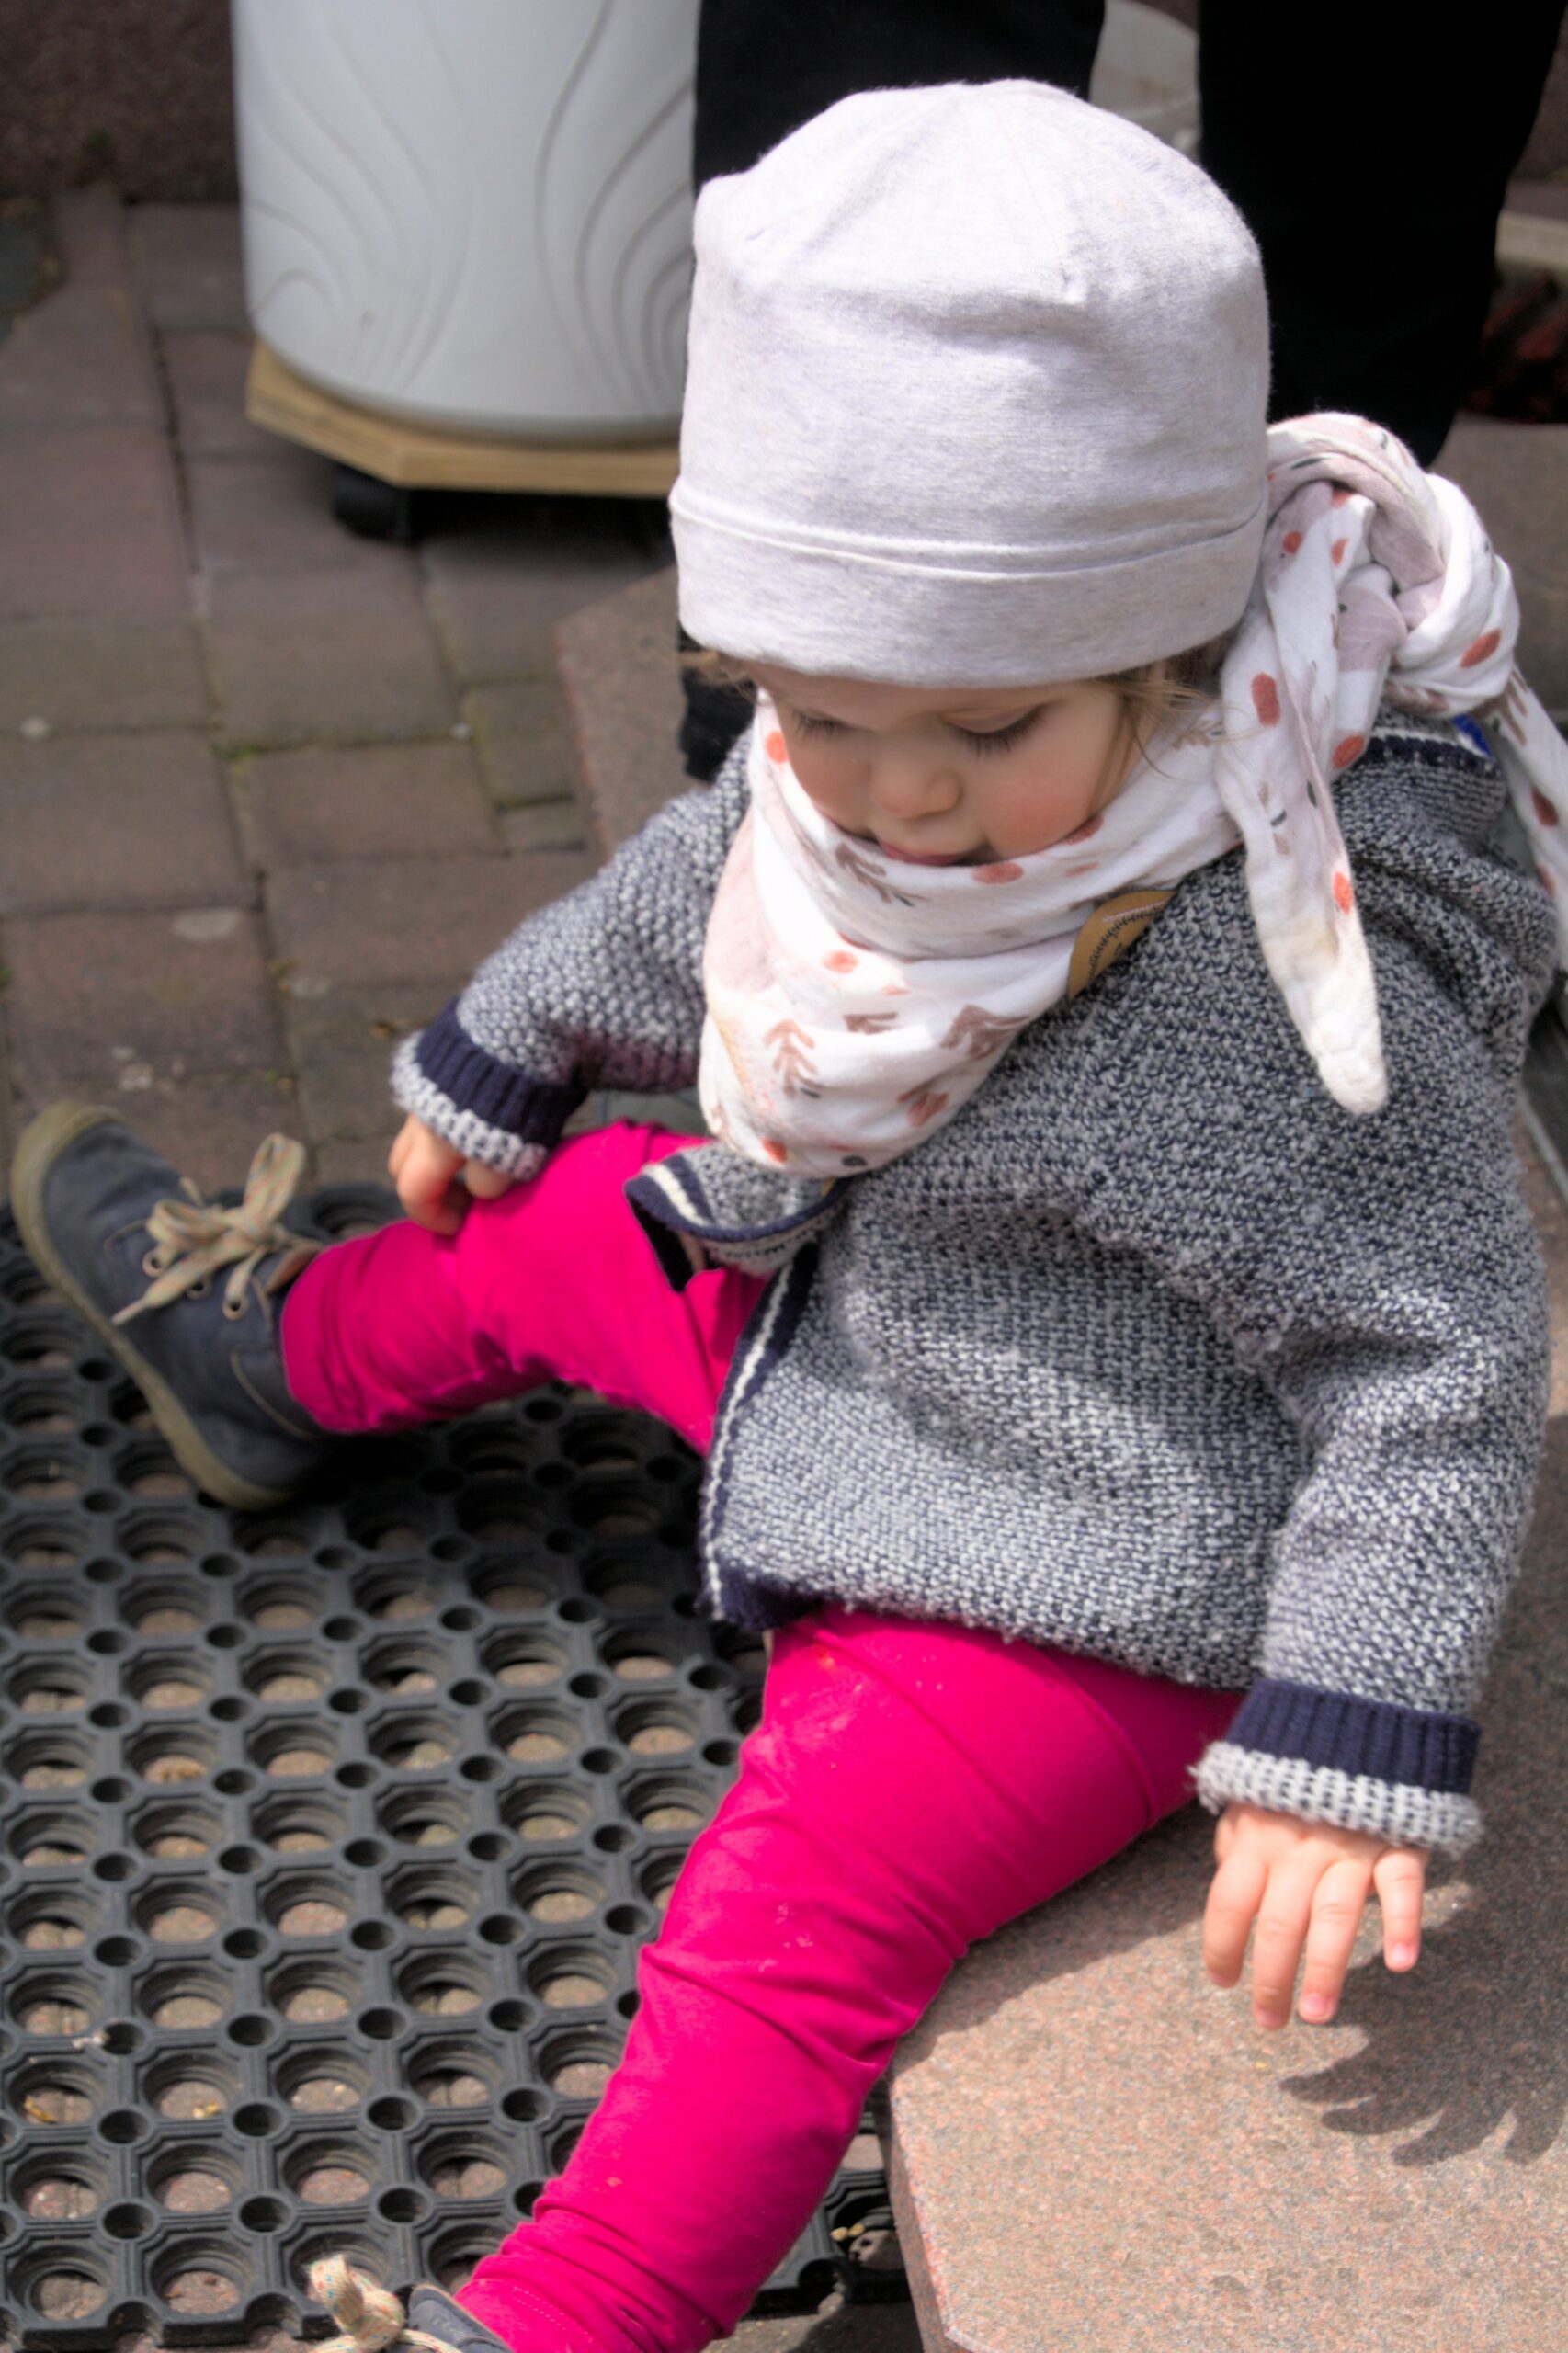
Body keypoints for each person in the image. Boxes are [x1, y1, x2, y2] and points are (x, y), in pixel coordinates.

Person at [14, 82, 1568, 2353]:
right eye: (821, 708)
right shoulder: (864, 748)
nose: (898, 791)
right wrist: (507, 1043)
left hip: (1097, 1566)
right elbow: (719, 866)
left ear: (1161, 651)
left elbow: (1436, 1350)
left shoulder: (1253, 984)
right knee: (568, 1219)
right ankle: (272, 1364)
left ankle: (565, 2320)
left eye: (984, 728)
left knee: (784, 1912)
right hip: (868, 1315)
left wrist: (1346, 1742)